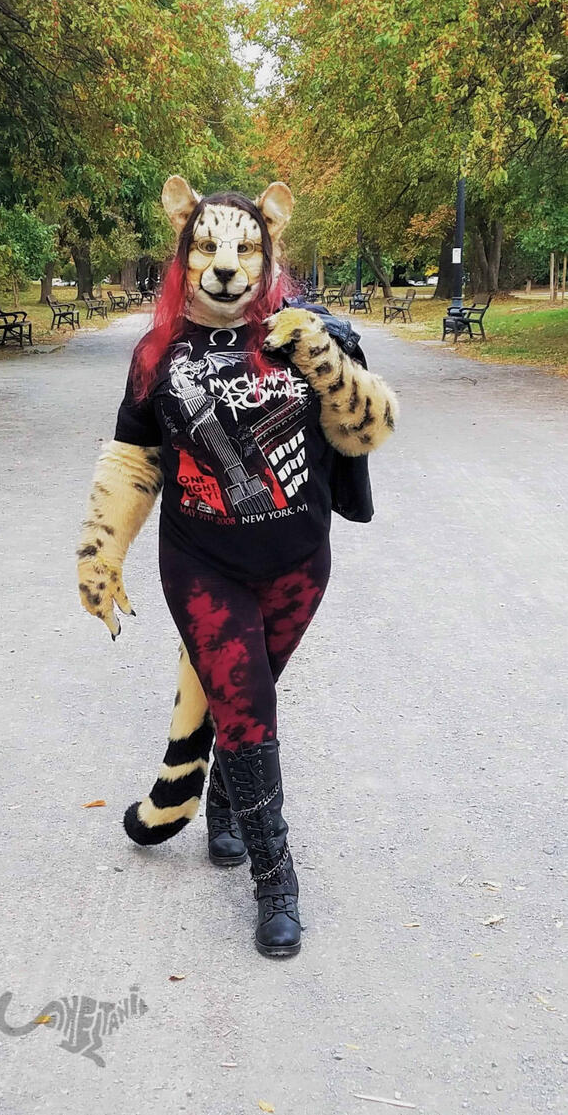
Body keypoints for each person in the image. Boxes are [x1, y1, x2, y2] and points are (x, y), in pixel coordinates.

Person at [77, 176, 399, 957]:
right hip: (201, 562)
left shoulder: (305, 330)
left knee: (241, 696)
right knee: (249, 708)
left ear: (268, 253)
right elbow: (132, 456)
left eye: (244, 248)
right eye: (208, 247)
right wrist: (100, 550)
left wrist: (322, 354)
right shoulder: (157, 352)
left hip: (298, 562)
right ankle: (275, 880)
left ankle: (220, 805)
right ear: (185, 255)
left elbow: (370, 429)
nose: (225, 264)